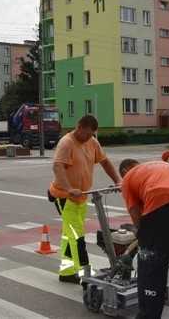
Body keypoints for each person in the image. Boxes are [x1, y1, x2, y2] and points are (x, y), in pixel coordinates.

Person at [118, 159, 169, 319]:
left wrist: (145, 236)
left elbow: (135, 212)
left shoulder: (128, 178)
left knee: (151, 264)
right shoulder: (156, 167)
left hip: (159, 201)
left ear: (124, 172)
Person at [48, 114, 122, 285]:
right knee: (77, 236)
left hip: (81, 197)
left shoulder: (92, 142)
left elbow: (105, 161)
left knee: (69, 235)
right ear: (79, 127)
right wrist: (68, 189)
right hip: (65, 196)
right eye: (87, 134)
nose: (89, 138)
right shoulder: (67, 143)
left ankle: (66, 271)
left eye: (92, 135)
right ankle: (86, 274)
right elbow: (57, 166)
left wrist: (118, 180)